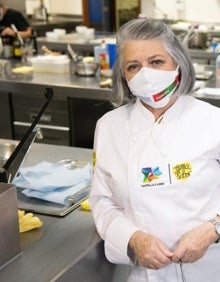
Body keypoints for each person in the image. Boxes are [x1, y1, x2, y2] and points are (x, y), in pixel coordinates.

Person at [90, 18, 220, 282]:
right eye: (133, 66)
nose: (145, 74)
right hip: (146, 274)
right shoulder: (109, 127)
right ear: (123, 76)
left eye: (156, 62)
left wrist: (212, 230)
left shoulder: (213, 121)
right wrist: (134, 239)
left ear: (178, 64)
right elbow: (102, 201)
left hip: (211, 268)